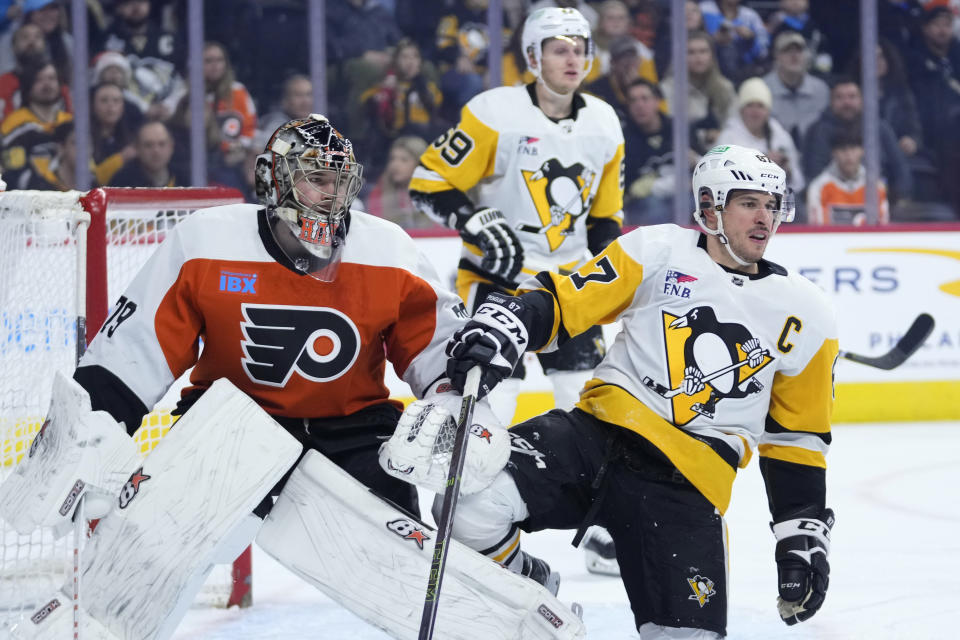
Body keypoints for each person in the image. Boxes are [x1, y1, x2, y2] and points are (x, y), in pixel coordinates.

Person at [16, 113, 514, 637]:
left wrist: (459, 396)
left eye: (339, 179)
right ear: (274, 179)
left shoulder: (388, 248)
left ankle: (517, 597)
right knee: (140, 562)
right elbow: (134, 351)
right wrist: (90, 432)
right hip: (227, 429)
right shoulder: (206, 242)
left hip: (353, 432)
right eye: (315, 177)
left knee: (408, 577)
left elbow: (439, 355)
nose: (331, 194)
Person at [400, 144, 837, 638]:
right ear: (711, 206)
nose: (765, 217)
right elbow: (569, 299)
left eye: (772, 205)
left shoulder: (809, 314)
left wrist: (800, 532)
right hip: (596, 437)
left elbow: (797, 438)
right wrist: (514, 320)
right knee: (468, 504)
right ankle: (530, 589)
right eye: (749, 203)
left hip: (688, 484)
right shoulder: (657, 250)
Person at [409, 6, 625, 426]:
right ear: (532, 56)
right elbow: (428, 180)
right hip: (497, 279)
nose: (572, 59)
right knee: (487, 407)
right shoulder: (493, 113)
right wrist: (474, 222)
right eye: (559, 49)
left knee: (588, 411)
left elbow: (605, 217)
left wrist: (611, 281)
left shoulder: (605, 122)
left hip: (570, 285)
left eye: (580, 49)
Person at [716, 77, 804, 197]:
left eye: (760, 106)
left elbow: (797, 184)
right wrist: (760, 164)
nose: (755, 111)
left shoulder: (781, 136)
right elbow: (719, 180)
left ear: (768, 111)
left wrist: (786, 170)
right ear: (741, 110)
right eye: (750, 105)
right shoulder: (727, 139)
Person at [806, 129, 889, 225]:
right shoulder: (819, 187)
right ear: (834, 153)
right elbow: (817, 230)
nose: (849, 155)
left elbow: (882, 228)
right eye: (843, 150)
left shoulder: (876, 187)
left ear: (862, 151)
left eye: (853, 148)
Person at [108, 120, 185, 187]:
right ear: (137, 149)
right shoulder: (122, 183)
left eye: (162, 144)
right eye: (148, 145)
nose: (156, 150)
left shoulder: (186, 178)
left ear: (171, 147)